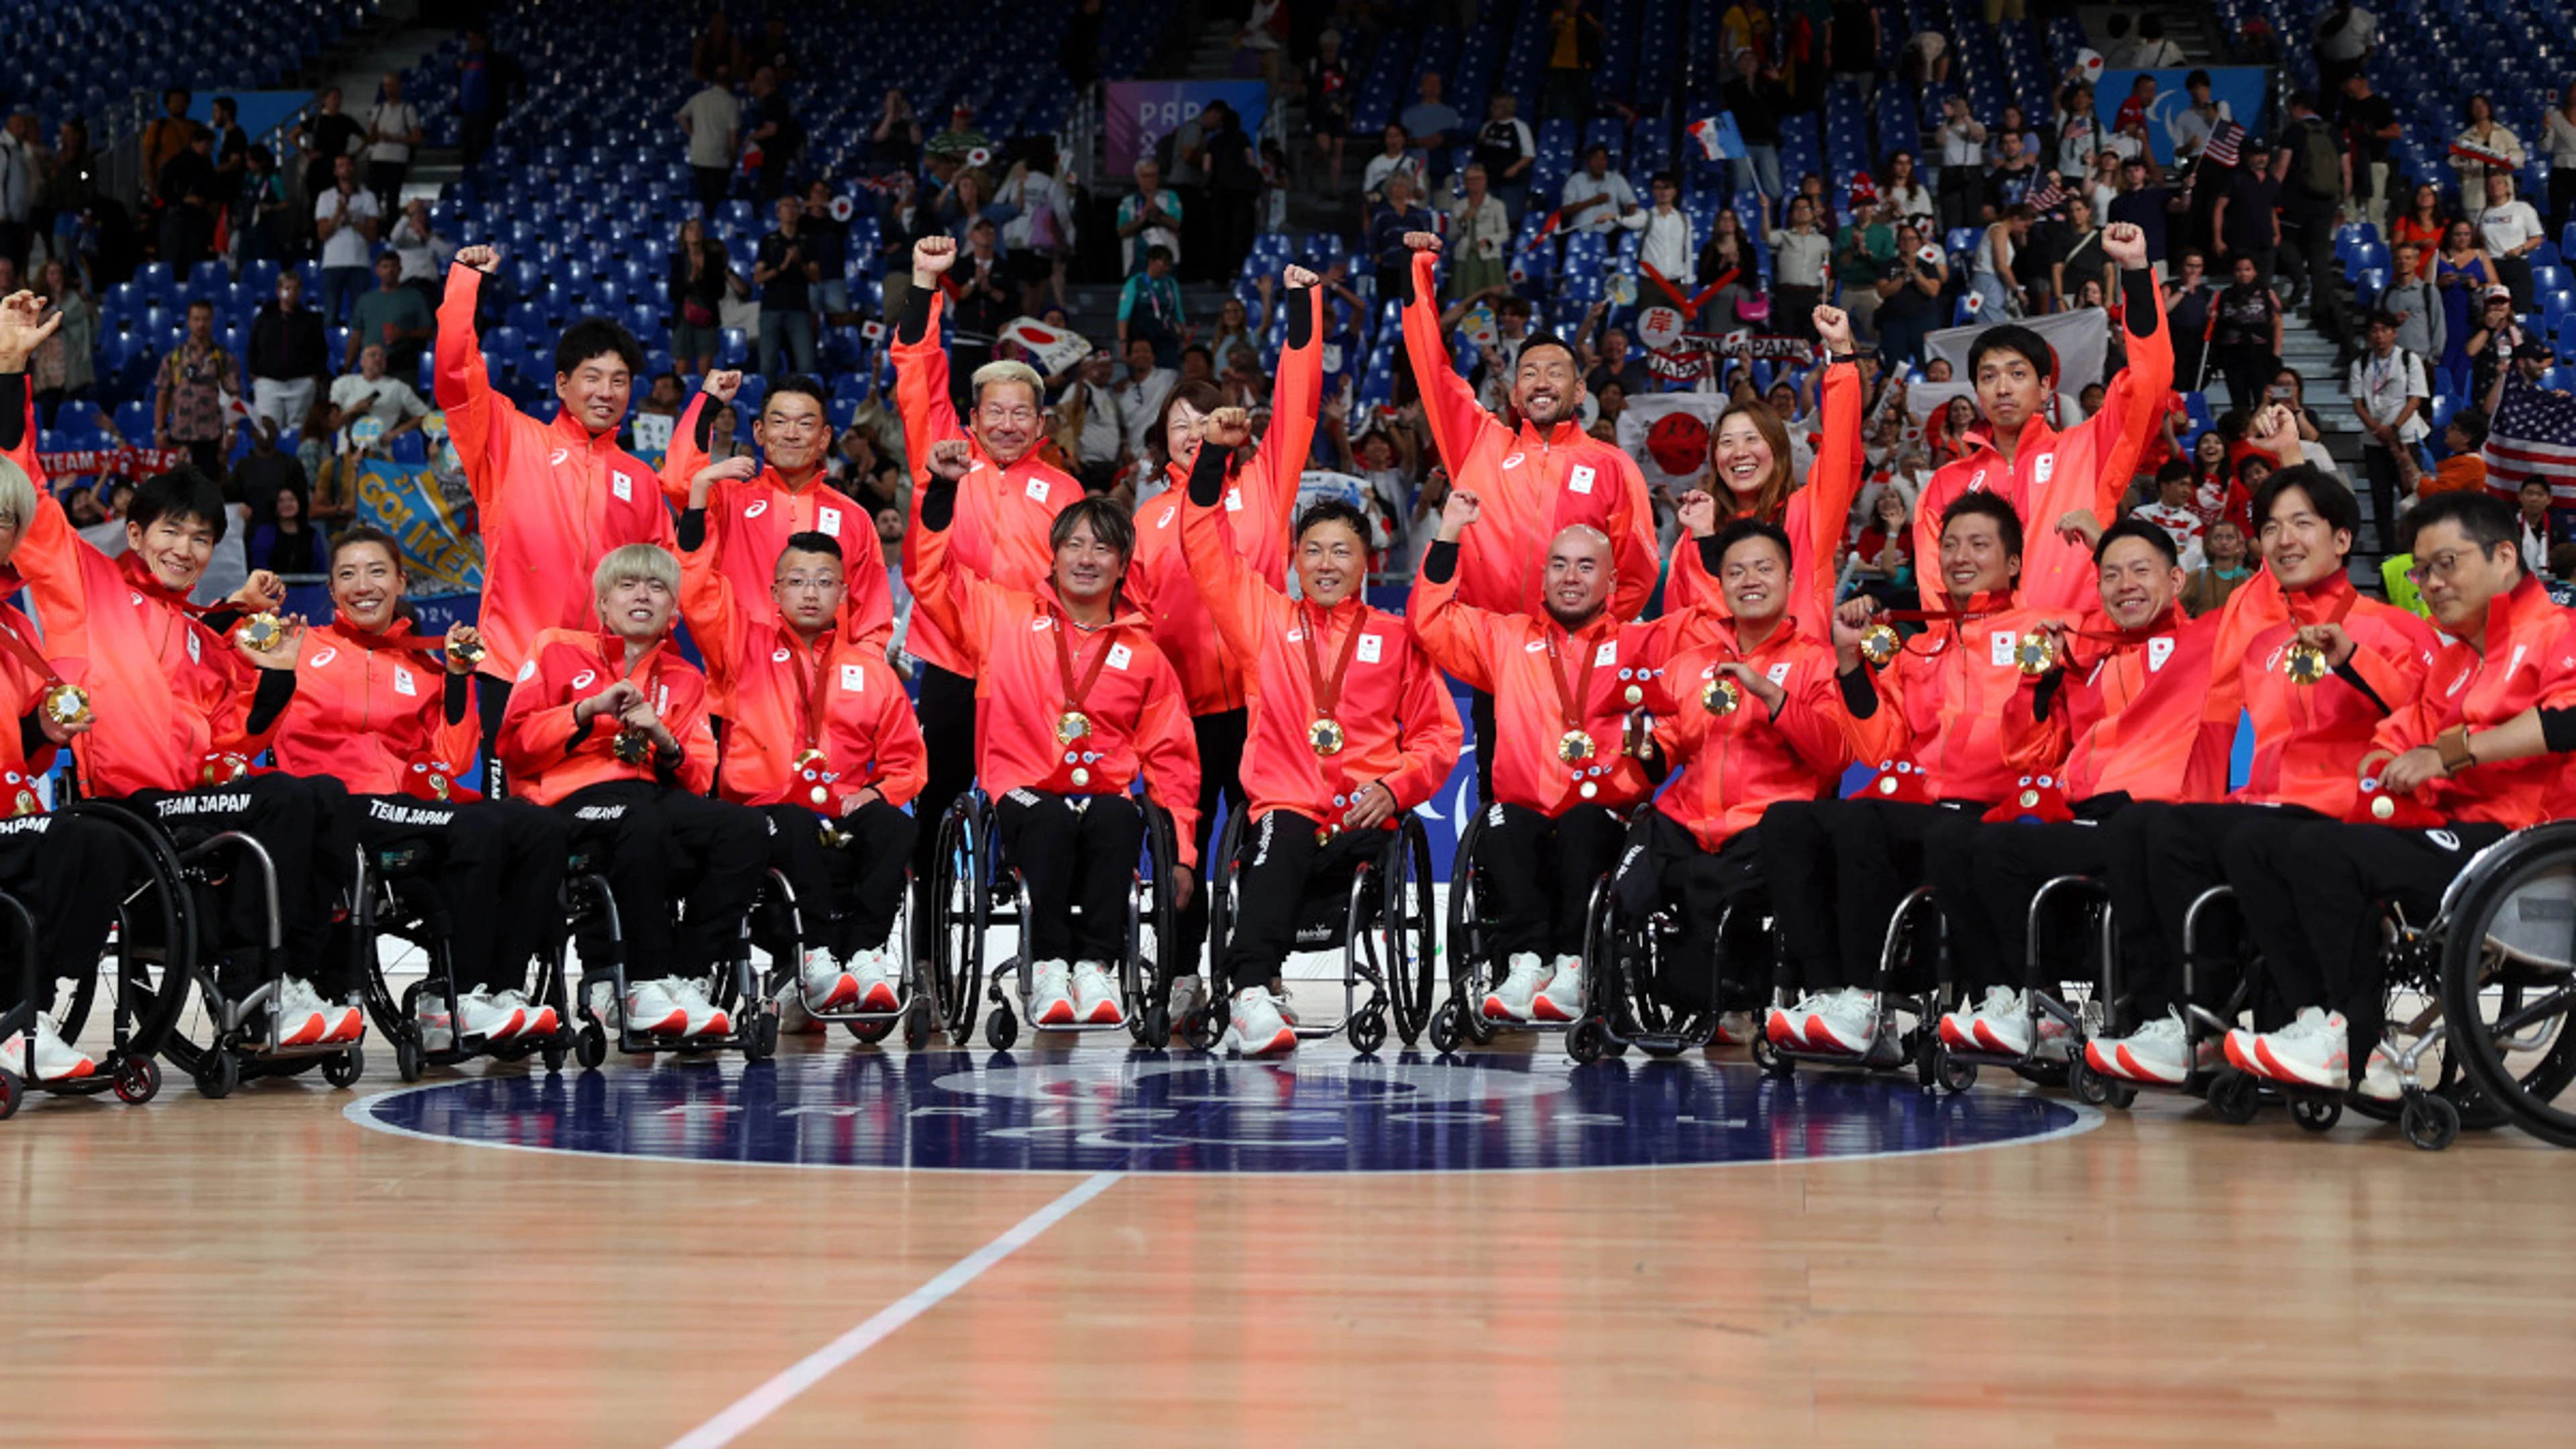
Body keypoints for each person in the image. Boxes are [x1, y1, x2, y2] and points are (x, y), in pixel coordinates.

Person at [0, 296, 360, 1048]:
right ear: (135, 533)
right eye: (172, 531)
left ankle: (302, 979)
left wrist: (278, 676)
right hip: (127, 810)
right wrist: (10, 372)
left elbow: (237, 737)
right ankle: (255, 988)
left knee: (324, 795)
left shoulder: (203, 634)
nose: (185, 550)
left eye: (202, 539)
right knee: (284, 801)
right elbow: (22, 488)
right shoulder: (88, 585)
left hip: (192, 806)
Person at [2214, 490, 2576, 1099]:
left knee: (2326, 852)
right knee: (2258, 845)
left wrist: (2450, 753)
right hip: (2455, 839)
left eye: (2447, 564)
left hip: (2528, 847)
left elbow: (2568, 720)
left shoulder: (2558, 631)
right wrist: (2386, 762)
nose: (2432, 584)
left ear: (2504, 557)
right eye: (2422, 570)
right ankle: (2314, 1020)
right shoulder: (2454, 663)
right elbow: (2397, 736)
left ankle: (2353, 1038)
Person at [2088, 460, 2438, 1083]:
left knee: (2252, 840)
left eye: (2302, 523)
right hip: (2271, 807)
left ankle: (2328, 1023)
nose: (2284, 539)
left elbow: (2425, 715)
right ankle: (2187, 1020)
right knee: (2144, 826)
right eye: (2272, 527)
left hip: (2351, 808)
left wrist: (2354, 659)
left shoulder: (2391, 627)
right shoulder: (2262, 643)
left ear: (2342, 539)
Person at [1181, 408, 1460, 1053]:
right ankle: (1251, 994)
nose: (1326, 564)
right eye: (1312, 550)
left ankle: (1257, 984)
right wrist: (1214, 457)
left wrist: (1394, 789)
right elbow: (1205, 549)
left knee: (1312, 840)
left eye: (1342, 551)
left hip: (1366, 818)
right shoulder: (1265, 622)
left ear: (1368, 562)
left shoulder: (1397, 638)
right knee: (1279, 833)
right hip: (1289, 809)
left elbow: (1437, 736)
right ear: (1294, 560)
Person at [1760, 492, 2067, 1055]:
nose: (1960, 557)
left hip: (1999, 811)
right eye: (1950, 545)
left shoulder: (2040, 634)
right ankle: (1828, 991)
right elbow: (1880, 747)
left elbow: (2041, 748)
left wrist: (2041, 678)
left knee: (1862, 821)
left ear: (2014, 562)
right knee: (1786, 822)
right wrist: (1850, 662)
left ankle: (1871, 1002)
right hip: (1925, 811)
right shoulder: (1920, 642)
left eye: (1978, 544)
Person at [1919, 515, 2239, 1055]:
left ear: (2177, 580)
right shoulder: (2087, 656)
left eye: (2141, 571)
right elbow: (2029, 755)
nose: (2125, 585)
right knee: (1965, 842)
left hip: (2159, 821)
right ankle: (2031, 1001)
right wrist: (2038, 684)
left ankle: (2112, 1013)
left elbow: (2268, 599)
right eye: (2111, 575)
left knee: (2031, 848)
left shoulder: (2208, 642)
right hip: (2086, 817)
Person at [909, 439, 1198, 1028]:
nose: (1086, 559)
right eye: (1074, 545)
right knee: (1047, 818)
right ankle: (1047, 968)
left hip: (1102, 794)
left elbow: (1171, 759)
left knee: (1120, 818)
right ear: (1054, 556)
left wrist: (1184, 855)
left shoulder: (1143, 653)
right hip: (1023, 790)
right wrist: (939, 492)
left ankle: (1095, 967)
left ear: (1123, 565)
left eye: (1102, 548)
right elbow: (932, 579)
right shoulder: (1005, 616)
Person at [1413, 484, 1731, 1021]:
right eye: (1559, 565)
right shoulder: (1506, 639)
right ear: (1543, 578)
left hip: (1603, 813)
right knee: (1499, 822)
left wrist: (1702, 537)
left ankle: (1573, 965)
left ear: (1612, 582)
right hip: (1526, 811)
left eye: (1586, 566)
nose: (1570, 577)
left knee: (1585, 823)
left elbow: (1714, 625)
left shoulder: (1640, 643)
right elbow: (1431, 621)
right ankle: (1526, 964)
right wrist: (1448, 534)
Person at [277, 527, 572, 1044]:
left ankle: (502, 989)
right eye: (348, 574)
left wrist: (456, 677)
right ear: (332, 590)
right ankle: (452, 1000)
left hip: (408, 809)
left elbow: (452, 760)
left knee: (541, 827)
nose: (363, 585)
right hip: (339, 806)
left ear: (400, 582)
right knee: (476, 827)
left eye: (377, 572)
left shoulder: (422, 665)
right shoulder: (301, 648)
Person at [1401, 231, 1658, 797]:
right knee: (1500, 804)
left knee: (1584, 801)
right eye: (1530, 373)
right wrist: (1418, 271)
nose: (1542, 382)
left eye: (1555, 372)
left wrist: (1584, 637)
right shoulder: (1477, 444)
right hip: (1502, 663)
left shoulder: (1611, 466)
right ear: (1514, 393)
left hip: (1583, 667)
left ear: (1580, 389)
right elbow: (1431, 367)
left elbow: (1637, 572)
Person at [1124, 270, 1320, 983]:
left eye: (1201, 421)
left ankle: (1260, 976)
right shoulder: (1147, 520)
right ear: (1162, 439)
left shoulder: (1265, 486)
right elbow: (1132, 617)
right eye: (1177, 426)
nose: (1190, 435)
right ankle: (1181, 980)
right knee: (1181, 850)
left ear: (1226, 428)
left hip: (1263, 701)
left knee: (1266, 844)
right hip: (1179, 712)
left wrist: (1301, 305)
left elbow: (1299, 401)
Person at [498, 545, 763, 1038]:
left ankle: (686, 976)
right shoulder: (555, 647)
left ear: (673, 610)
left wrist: (664, 738)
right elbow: (513, 744)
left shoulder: (685, 678)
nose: (642, 595)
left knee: (744, 827)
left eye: (657, 587)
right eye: (627, 585)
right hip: (569, 801)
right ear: (602, 603)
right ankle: (641, 979)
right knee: (643, 819)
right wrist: (586, 710)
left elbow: (699, 779)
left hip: (651, 802)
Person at [893, 236, 1079, 941]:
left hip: (1032, 667)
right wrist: (924, 282)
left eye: (1020, 413)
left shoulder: (1064, 490)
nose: (1006, 424)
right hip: (951, 657)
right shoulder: (944, 459)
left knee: (1036, 802)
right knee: (938, 797)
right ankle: (924, 948)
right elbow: (918, 372)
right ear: (971, 419)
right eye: (993, 412)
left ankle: (1048, 944)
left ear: (1041, 423)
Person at [1609, 515, 1854, 1035]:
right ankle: (1623, 986)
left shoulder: (1817, 662)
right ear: (1720, 584)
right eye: (1737, 572)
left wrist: (1769, 694)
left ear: (1790, 579)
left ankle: (1735, 998)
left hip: (1766, 824)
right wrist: (1641, 741)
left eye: (1764, 568)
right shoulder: (1689, 663)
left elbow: (1835, 754)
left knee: (1725, 877)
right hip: (1689, 820)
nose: (1750, 581)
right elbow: (1665, 753)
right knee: (1635, 863)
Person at [678, 513, 922, 1022]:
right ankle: (816, 956)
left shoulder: (871, 670)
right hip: (764, 808)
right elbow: (698, 592)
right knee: (792, 823)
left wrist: (875, 794)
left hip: (840, 808)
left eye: (825, 582)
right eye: (797, 581)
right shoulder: (741, 648)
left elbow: (906, 760)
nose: (811, 592)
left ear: (844, 594)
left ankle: (866, 955)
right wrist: (699, 505)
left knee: (895, 825)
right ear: (775, 592)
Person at [437, 244, 676, 761]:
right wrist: (466, 286)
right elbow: (456, 375)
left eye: (619, 381)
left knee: (592, 805)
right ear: (563, 385)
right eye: (593, 377)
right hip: (512, 664)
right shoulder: (509, 440)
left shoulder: (640, 479)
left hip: (603, 679)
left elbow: (663, 580)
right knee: (512, 808)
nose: (606, 392)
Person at [1914, 222, 2166, 614]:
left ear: (2045, 387)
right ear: (1977, 392)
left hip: (2078, 644)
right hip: (1987, 650)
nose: (2002, 388)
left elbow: (2149, 382)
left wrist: (2135, 271)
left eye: (2017, 374)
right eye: (1988, 377)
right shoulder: (1947, 484)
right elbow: (1936, 591)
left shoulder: (2088, 450)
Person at [1664, 307, 1868, 635]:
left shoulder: (1808, 515)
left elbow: (1841, 450)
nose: (1739, 452)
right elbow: (1678, 628)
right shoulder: (1697, 532)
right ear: (1715, 459)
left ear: (1778, 450)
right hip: (1715, 669)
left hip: (1799, 667)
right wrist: (1704, 540)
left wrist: (1842, 356)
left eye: (1752, 439)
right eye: (1727, 442)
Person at [657, 370, 891, 647]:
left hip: (825, 671)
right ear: (759, 432)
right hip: (741, 666)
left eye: (805, 424)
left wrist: (857, 671)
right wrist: (708, 402)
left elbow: (872, 622)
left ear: (825, 437)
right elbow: (679, 483)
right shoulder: (727, 501)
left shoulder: (854, 517)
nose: (791, 434)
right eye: (779, 422)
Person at [2348, 309, 2430, 559]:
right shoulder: (2361, 363)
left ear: (2394, 333)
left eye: (2384, 330)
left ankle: (2415, 547)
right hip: (2374, 440)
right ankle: (2388, 550)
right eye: (2374, 331)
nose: (2379, 336)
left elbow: (2416, 398)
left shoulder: (2409, 359)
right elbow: (2358, 403)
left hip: (2405, 436)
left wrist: (2393, 428)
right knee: (2380, 497)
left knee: (2410, 494)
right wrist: (2376, 428)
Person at [151, 299, 238, 480]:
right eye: (196, 319)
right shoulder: (174, 357)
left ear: (212, 321)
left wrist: (232, 430)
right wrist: (159, 429)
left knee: (209, 486)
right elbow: (163, 394)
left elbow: (233, 396)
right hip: (179, 434)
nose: (201, 324)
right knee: (178, 486)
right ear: (189, 322)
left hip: (211, 436)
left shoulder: (223, 358)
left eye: (205, 319)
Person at [753, 195, 818, 380]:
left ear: (799, 213)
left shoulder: (807, 241)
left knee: (806, 364)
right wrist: (781, 268)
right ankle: (768, 397)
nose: (790, 210)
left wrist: (799, 263)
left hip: (799, 308)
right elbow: (758, 278)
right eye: (786, 207)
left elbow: (816, 277)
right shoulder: (768, 240)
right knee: (767, 365)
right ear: (778, 213)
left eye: (794, 207)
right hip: (771, 308)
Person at [312, 154, 380, 326]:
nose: (346, 169)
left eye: (349, 165)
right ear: (335, 172)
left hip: (360, 264)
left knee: (360, 317)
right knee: (330, 315)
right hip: (333, 264)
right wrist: (338, 215)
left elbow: (373, 235)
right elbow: (322, 234)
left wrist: (352, 220)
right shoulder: (325, 197)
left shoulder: (368, 197)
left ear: (354, 168)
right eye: (341, 166)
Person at [2209, 252, 2283, 410]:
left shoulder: (2266, 294)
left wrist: (2275, 354)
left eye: (2247, 269)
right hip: (2232, 354)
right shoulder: (2225, 295)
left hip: (2259, 352)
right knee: (2238, 400)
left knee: (2262, 398)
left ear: (2255, 272)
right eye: (2239, 270)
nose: (2243, 274)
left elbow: (2277, 323)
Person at [345, 250, 433, 375]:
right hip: (371, 368)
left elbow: (430, 332)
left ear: (400, 270)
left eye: (394, 266)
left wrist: (405, 333)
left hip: (403, 366)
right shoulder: (365, 300)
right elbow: (356, 337)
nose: (390, 271)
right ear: (377, 270)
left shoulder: (415, 297)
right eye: (385, 267)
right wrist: (347, 368)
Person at [2476, 173, 2546, 313]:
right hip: (2492, 266)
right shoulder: (2483, 214)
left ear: (2507, 187)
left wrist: (2520, 249)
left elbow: (2537, 237)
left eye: (2499, 183)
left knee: (2519, 310)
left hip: (2516, 264)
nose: (2495, 187)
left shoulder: (2522, 208)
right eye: (2491, 185)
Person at [2451, 94, 2526, 222]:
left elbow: (2519, 157)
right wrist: (2467, 161)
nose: (2480, 109)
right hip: (2475, 197)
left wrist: (2507, 161)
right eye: (2475, 107)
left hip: (2502, 196)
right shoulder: (2464, 138)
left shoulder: (2505, 134)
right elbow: (2454, 162)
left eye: (2483, 105)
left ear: (2489, 108)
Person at [676, 64, 741, 213]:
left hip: (698, 155)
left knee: (703, 199)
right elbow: (733, 134)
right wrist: (733, 156)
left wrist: (692, 134)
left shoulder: (699, 98)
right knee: (716, 203)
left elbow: (681, 116)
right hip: (719, 158)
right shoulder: (730, 102)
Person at [362, 73, 421, 213]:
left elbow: (417, 137)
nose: (389, 89)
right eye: (387, 86)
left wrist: (394, 139)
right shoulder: (378, 109)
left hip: (397, 160)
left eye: (393, 85)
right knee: (373, 198)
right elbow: (372, 136)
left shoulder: (407, 109)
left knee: (392, 199)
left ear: (400, 87)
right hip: (377, 158)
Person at [1116, 158, 1181, 276]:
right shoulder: (1128, 202)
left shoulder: (1170, 197)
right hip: (1137, 260)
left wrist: (1158, 214)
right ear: (1137, 178)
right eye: (1146, 176)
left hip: (1165, 259)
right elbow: (1122, 231)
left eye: (1154, 175)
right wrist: (1142, 219)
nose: (1150, 180)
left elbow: (1176, 224)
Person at [1559, 144, 1642, 235]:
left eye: (1603, 159)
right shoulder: (1575, 180)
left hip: (1611, 233)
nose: (1600, 163)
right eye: (1595, 159)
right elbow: (1566, 210)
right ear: (1587, 162)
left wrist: (1631, 218)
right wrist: (1593, 201)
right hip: (1581, 232)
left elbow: (1631, 203)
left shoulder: (1616, 179)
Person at [2181, 517, 2253, 616]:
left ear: (2238, 544)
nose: (2224, 542)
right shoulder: (2197, 577)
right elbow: (2177, 612)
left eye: (2230, 538)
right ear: (2210, 545)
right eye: (2218, 538)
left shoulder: (2250, 578)